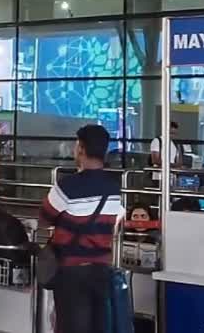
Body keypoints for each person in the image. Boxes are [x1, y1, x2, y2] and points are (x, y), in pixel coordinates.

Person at [40, 124, 123, 333]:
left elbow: (44, 218)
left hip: (71, 271)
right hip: (101, 270)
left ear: (81, 149)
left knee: (71, 326)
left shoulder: (67, 186)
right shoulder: (114, 188)